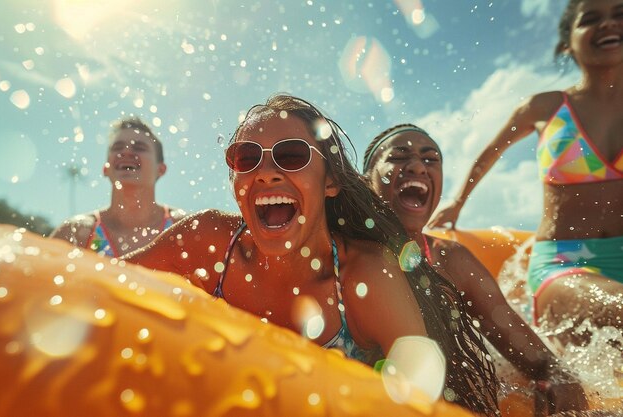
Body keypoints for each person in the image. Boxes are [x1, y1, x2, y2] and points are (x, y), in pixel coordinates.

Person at [125, 94, 500, 415]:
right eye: (246, 158)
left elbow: (416, 399)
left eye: (291, 155)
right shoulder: (205, 244)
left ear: (331, 182)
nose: (266, 172)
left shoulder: (363, 275)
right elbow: (100, 283)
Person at [363, 124, 588, 415]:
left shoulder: (452, 260)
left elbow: (540, 360)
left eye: (431, 159)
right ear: (365, 180)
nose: (418, 166)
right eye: (398, 156)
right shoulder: (345, 256)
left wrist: (559, 380)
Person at [429, 0, 623, 336]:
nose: (607, 24)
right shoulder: (545, 107)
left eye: (619, 14)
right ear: (567, 43)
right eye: (590, 19)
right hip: (567, 263)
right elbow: (490, 152)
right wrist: (457, 203)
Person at [50, 117, 186, 257]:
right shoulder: (76, 232)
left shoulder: (183, 228)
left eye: (139, 148)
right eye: (117, 148)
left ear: (161, 169)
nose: (126, 152)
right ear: (105, 168)